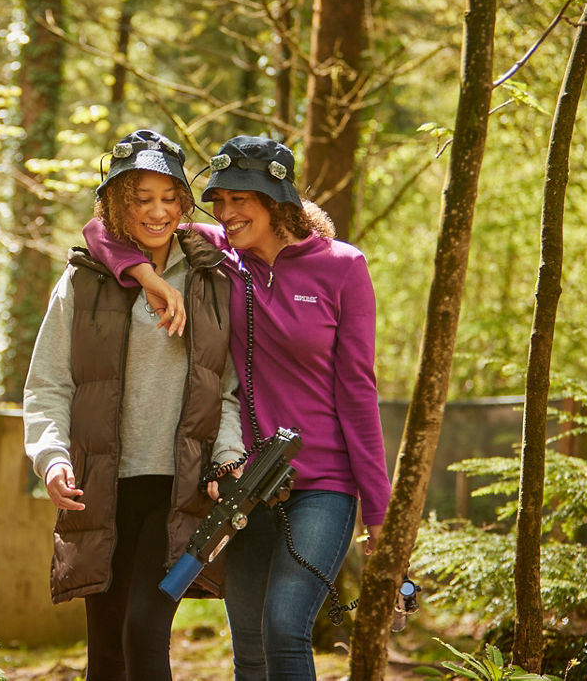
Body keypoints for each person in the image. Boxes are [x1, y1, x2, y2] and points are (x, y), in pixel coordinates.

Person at [82, 135, 391, 680]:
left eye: (239, 200)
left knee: (283, 627)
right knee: (247, 645)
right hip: (243, 482)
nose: (224, 212)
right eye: (217, 199)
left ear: (276, 202)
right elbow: (102, 231)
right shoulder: (218, 256)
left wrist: (378, 511)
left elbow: (359, 393)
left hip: (325, 482)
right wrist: (148, 276)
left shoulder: (342, 267)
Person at [22, 129, 245, 681]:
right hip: (101, 486)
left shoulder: (212, 275)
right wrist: (50, 457)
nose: (157, 211)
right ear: (116, 202)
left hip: (181, 489)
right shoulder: (82, 280)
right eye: (140, 198)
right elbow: (48, 383)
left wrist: (228, 455)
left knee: (145, 630)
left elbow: (229, 388)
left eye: (169, 197)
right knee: (107, 648)